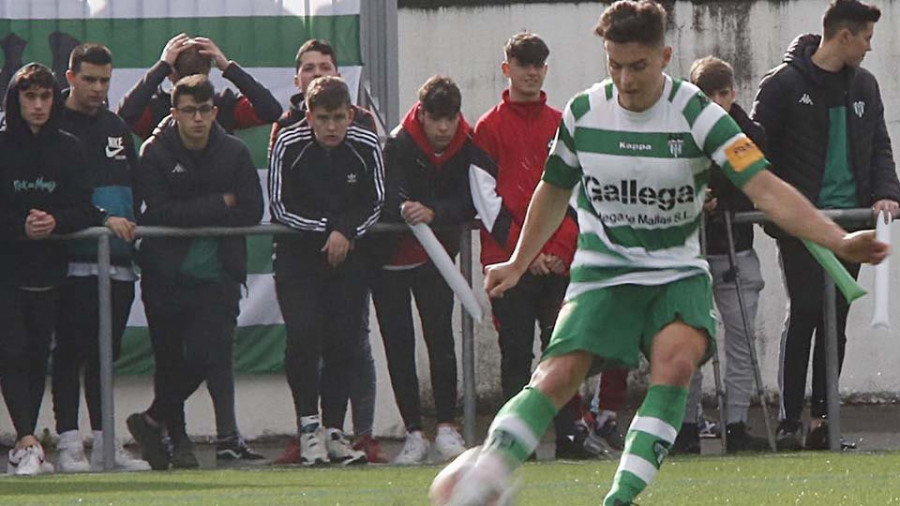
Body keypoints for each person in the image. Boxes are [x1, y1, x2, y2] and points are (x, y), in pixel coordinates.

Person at [431, 2, 888, 504]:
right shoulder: (584, 113)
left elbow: (766, 189)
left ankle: (620, 498)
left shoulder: (698, 114)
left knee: (675, 362)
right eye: (615, 64)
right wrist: (518, 262)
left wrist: (838, 239)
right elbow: (553, 189)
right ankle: (483, 476)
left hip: (675, 271)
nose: (625, 79)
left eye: (638, 66)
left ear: (665, 56)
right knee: (558, 374)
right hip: (604, 271)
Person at [751, 0, 900, 451]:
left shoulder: (866, 87)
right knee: (806, 313)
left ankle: (823, 420)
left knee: (836, 318)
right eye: (867, 39)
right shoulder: (782, 85)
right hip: (804, 227)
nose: (871, 49)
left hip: (851, 227)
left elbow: (879, 146)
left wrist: (887, 192)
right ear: (844, 36)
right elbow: (757, 153)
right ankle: (789, 421)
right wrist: (777, 213)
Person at [127, 74, 263, 470]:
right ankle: (175, 441)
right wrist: (220, 201)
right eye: (189, 111)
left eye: (204, 110)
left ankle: (150, 420)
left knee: (208, 355)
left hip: (218, 276)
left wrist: (197, 209)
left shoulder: (233, 151)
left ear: (214, 112)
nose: (198, 119)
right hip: (165, 275)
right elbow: (161, 212)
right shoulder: (155, 151)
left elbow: (251, 209)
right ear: (175, 113)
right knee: (168, 361)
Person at [375, 75, 512, 465]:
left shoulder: (468, 146)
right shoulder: (398, 143)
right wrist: (404, 209)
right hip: (389, 261)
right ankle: (413, 432)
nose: (442, 129)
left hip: (437, 260)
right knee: (398, 344)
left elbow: (472, 198)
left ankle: (448, 427)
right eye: (435, 119)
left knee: (441, 339)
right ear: (421, 114)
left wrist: (435, 212)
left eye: (449, 120)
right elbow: (387, 192)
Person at [473, 32, 589, 460]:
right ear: (507, 69)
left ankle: (570, 435)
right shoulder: (487, 128)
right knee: (515, 352)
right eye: (523, 64)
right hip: (508, 262)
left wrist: (556, 249)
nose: (531, 72)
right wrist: (528, 255)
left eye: (538, 64)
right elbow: (486, 202)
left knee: (562, 348)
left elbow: (576, 194)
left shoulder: (563, 123)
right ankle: (513, 441)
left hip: (558, 260)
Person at [270, 39, 386, 465]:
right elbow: (280, 206)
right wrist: (329, 231)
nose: (332, 127)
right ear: (309, 114)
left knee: (344, 341)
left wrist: (347, 232)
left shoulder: (366, 143)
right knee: (303, 337)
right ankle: (308, 428)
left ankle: (335, 430)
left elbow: (376, 202)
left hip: (349, 258)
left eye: (339, 118)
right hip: (299, 259)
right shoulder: (288, 142)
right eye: (323, 119)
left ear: (350, 114)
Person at [0, 62, 111, 475]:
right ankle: (26, 439)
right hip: (7, 268)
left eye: (46, 96)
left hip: (49, 270)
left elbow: (84, 205)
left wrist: (55, 223)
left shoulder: (69, 148)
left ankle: (29, 444)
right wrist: (19, 227)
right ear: (16, 99)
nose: (39, 105)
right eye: (30, 96)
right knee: (10, 351)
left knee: (35, 354)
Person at [51, 43, 150, 473]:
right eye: (89, 79)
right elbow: (56, 193)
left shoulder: (115, 126)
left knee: (104, 355)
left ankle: (106, 443)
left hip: (119, 262)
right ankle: (69, 442)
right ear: (69, 77)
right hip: (71, 261)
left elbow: (133, 187)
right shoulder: (51, 123)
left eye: (105, 80)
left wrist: (131, 223)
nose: (97, 88)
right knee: (70, 351)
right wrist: (99, 219)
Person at [670, 55, 771, 455]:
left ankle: (738, 422)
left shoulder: (750, 133)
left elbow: (758, 181)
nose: (717, 101)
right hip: (691, 251)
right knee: (691, 339)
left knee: (742, 338)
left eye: (723, 93)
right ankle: (687, 424)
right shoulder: (679, 132)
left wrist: (721, 200)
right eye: (707, 94)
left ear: (734, 92)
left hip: (735, 247)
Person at [117, 33, 282, 139]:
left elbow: (125, 116)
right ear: (209, 71)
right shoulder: (225, 106)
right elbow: (270, 110)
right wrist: (228, 67)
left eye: (204, 110)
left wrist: (162, 66)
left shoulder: (155, 109)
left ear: (169, 74)